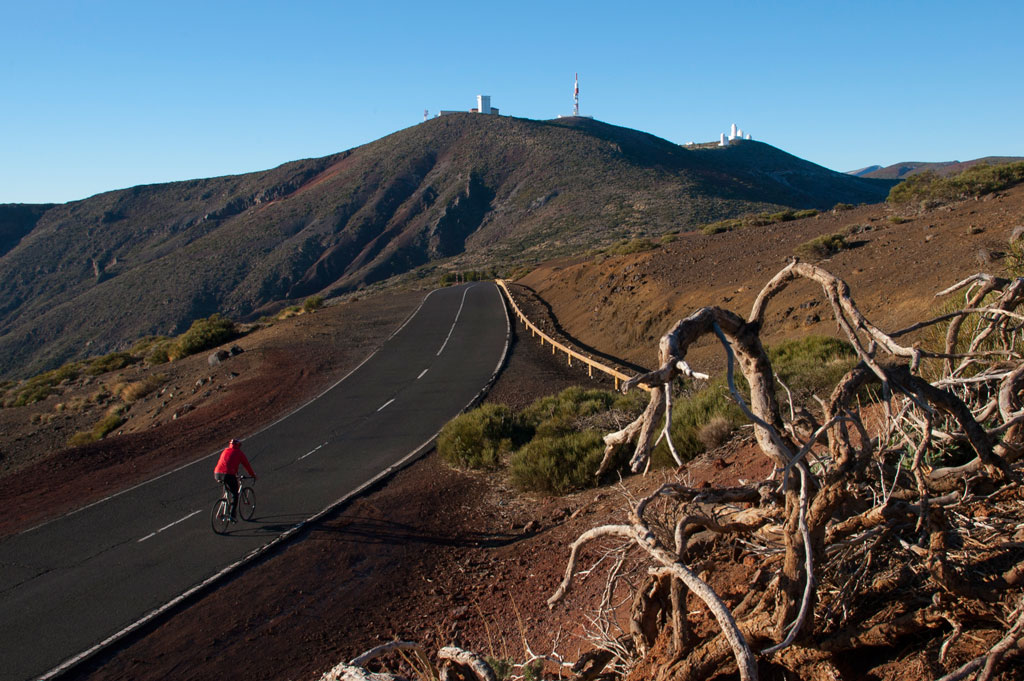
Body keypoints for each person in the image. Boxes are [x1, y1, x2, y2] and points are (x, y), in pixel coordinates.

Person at [214, 438, 257, 521]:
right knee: (235, 494)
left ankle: (224, 503)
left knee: (227, 487)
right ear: (238, 445)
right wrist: (253, 475)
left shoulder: (225, 450)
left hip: (217, 473)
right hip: (228, 474)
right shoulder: (239, 453)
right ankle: (232, 515)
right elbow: (247, 465)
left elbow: (227, 463)